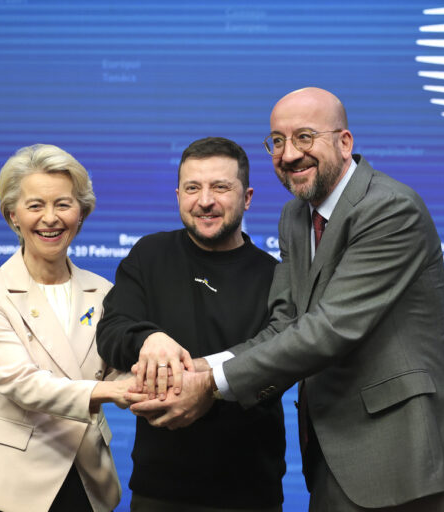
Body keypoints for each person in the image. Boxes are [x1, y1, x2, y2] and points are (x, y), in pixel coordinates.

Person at [130, 88, 444, 511]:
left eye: (305, 137)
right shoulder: (296, 216)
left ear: (344, 142)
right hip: (331, 448)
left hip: (397, 450)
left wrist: (212, 386)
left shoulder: (390, 209)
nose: (289, 154)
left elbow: (330, 328)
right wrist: (196, 368)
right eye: (277, 141)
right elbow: (285, 323)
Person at [96, 137, 286, 512]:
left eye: (220, 187)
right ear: (178, 195)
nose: (205, 201)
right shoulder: (149, 254)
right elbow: (112, 330)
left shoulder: (275, 276)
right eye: (192, 188)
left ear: (247, 197)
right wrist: (148, 339)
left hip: (249, 491)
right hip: (159, 489)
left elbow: (278, 366)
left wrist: (208, 390)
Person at [0, 144, 139, 512]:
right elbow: (21, 383)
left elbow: (118, 370)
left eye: (64, 204)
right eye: (35, 205)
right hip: (7, 485)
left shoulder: (103, 292)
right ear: (13, 217)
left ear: (81, 213)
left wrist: (155, 382)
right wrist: (110, 391)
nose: (50, 218)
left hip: (87, 478)